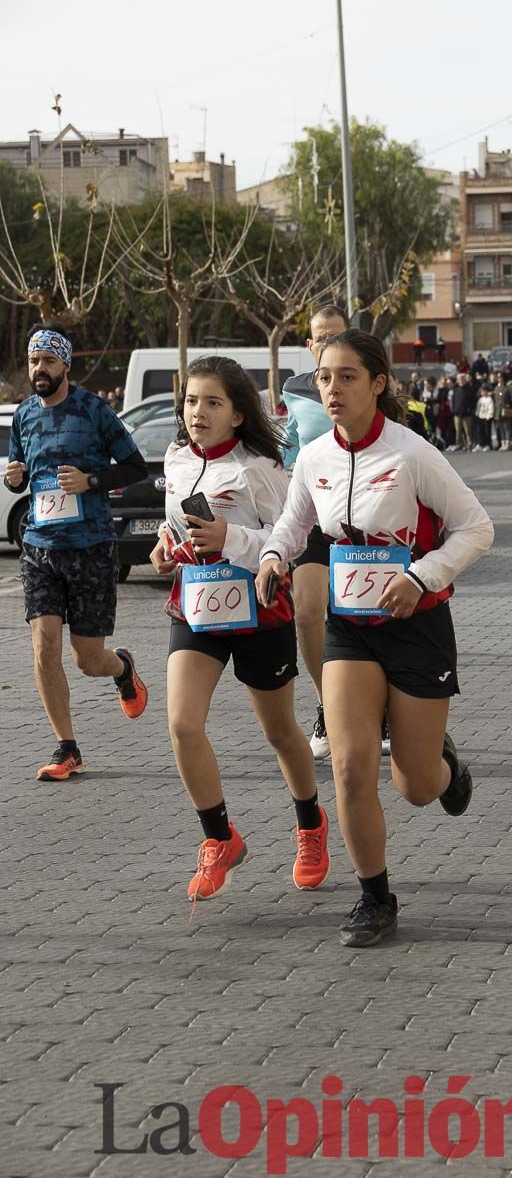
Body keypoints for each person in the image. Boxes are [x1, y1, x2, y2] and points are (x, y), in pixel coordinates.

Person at [255, 330, 493, 947]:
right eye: (325, 378)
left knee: (415, 786)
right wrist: (276, 554)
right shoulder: (314, 458)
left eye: (348, 377)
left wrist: (422, 575)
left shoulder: (411, 453)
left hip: (417, 627)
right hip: (351, 630)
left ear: (378, 383)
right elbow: (294, 519)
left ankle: (446, 766)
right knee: (351, 765)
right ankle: (374, 897)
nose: (332, 389)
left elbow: (476, 528)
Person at [149, 355, 329, 906]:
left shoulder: (260, 467)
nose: (197, 413)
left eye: (212, 402)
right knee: (182, 725)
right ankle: (219, 837)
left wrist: (232, 538)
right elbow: (175, 523)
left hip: (259, 608)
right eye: (190, 401)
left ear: (236, 413)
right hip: (197, 607)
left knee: (280, 733)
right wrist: (164, 544)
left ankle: (310, 825)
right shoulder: (177, 458)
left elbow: (290, 538)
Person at [3, 329, 149, 780]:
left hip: (91, 547)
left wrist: (90, 481)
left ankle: (121, 666)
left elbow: (134, 467)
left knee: (88, 660)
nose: (39, 370)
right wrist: (13, 477)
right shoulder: (24, 414)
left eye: (48, 361)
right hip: (40, 548)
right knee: (44, 645)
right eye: (33, 362)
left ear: (65, 366)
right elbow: (20, 477)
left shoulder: (93, 410)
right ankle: (67, 747)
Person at [280, 304, 350, 762]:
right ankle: (327, 706)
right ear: (309, 346)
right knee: (307, 613)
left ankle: (369, 709)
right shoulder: (294, 390)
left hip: (365, 519)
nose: (326, 344)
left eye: (335, 336)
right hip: (313, 517)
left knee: (358, 616)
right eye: (319, 338)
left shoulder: (368, 378)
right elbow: (288, 444)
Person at [451, 372, 475, 452]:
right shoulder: (456, 389)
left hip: (466, 413)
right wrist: (454, 410)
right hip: (457, 413)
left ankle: (469, 444)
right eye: (459, 379)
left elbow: (473, 401)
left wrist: (470, 409)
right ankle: (459, 444)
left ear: (465, 379)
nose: (461, 380)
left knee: (467, 430)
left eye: (462, 379)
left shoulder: (470, 389)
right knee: (458, 430)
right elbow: (453, 400)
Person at [475, 384, 495, 450]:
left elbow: (491, 408)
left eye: (484, 391)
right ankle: (480, 444)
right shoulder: (480, 399)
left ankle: (488, 444)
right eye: (482, 391)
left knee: (487, 431)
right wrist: (477, 414)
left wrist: (490, 415)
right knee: (480, 431)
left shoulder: (489, 399)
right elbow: (478, 407)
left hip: (487, 417)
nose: (483, 393)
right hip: (480, 416)